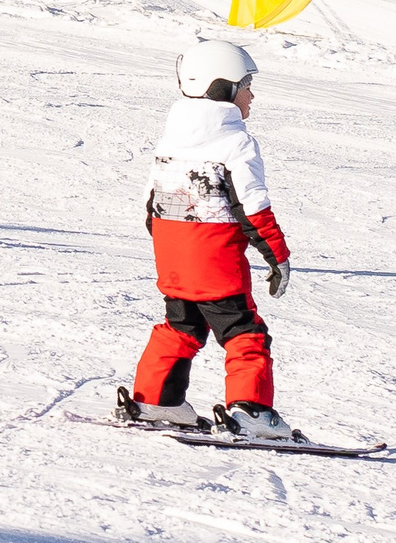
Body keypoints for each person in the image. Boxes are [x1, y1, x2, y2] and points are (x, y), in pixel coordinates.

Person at [125, 40, 297, 439]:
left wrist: (174, 252)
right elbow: (252, 208)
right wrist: (278, 257)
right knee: (245, 333)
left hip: (173, 257)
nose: (252, 95)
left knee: (181, 326)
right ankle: (251, 411)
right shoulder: (235, 142)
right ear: (222, 89)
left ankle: (156, 399)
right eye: (246, 85)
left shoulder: (171, 139)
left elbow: (152, 205)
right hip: (216, 259)